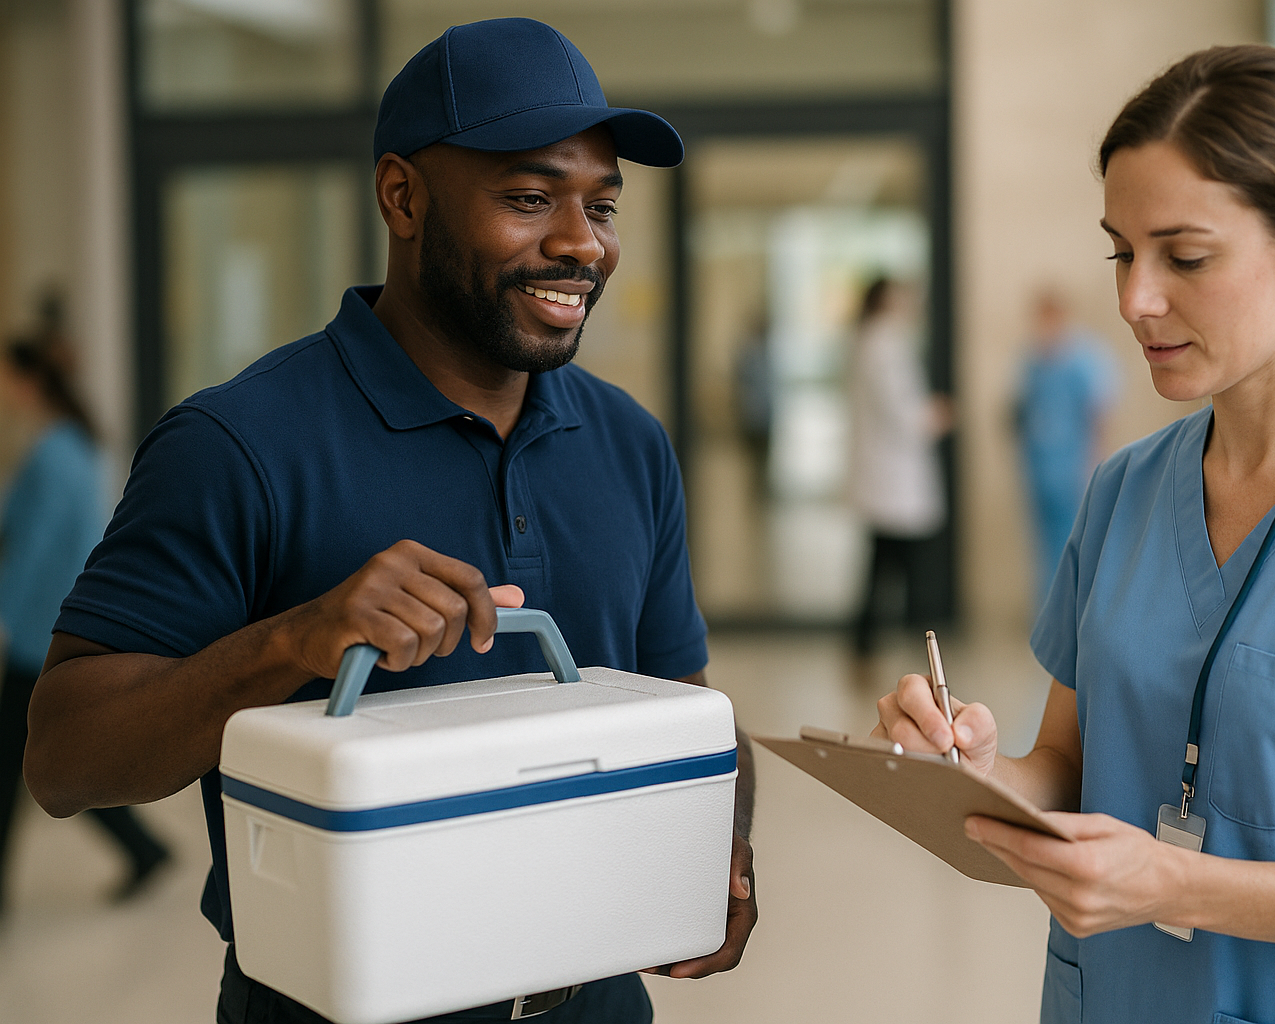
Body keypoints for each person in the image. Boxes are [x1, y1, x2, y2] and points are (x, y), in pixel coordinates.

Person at [23, 19, 755, 1023]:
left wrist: (723, 839)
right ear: (402, 196)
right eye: (530, 198)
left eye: (602, 206)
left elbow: (683, 696)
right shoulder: (239, 444)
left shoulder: (629, 443)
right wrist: (292, 640)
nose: (582, 243)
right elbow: (66, 756)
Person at [875, 45, 1275, 1023]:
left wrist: (1177, 884)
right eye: (1121, 251)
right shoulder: (1126, 492)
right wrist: (974, 770)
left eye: (1184, 257)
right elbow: (1067, 763)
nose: (1136, 299)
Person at [0, 338, 171, 914]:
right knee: (48, 756)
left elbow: (31, 548)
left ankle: (144, 849)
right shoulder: (76, 445)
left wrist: (2, 618)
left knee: (19, 763)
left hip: (34, 630)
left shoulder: (52, 453)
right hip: (52, 620)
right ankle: (144, 849)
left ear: (29, 382)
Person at [846, 277, 949, 662]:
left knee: (882, 563)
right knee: (896, 565)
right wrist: (931, 416)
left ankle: (870, 641)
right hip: (891, 477)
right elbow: (900, 410)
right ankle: (909, 639)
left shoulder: (874, 340)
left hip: (887, 477)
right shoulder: (882, 343)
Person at [1012, 288, 1119, 603]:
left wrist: (1092, 462)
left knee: (1073, 541)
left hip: (1072, 466)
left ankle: (1071, 612)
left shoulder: (1085, 357)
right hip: (1039, 466)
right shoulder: (1030, 359)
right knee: (1043, 544)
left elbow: (1098, 413)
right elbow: (1020, 411)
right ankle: (1047, 612)